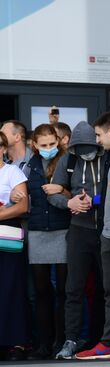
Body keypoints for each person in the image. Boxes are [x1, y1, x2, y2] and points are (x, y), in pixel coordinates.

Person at [74, 113, 110, 359]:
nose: (96, 140)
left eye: (98, 134)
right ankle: (109, 342)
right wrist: (94, 200)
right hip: (108, 232)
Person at [49, 120, 107, 359]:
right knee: (73, 288)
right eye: (79, 147)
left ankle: (104, 339)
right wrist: (69, 202)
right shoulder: (68, 160)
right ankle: (71, 339)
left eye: (89, 146)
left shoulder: (108, 158)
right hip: (78, 230)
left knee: (108, 288)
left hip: (106, 231)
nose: (85, 152)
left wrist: (95, 201)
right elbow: (53, 192)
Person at [24, 125, 70, 360]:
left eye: (52, 144)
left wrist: (62, 189)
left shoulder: (66, 162)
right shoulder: (28, 165)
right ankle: (43, 344)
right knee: (41, 292)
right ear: (34, 144)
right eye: (43, 145)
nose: (48, 149)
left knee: (63, 291)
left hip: (62, 230)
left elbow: (78, 194)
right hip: (38, 232)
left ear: (59, 141)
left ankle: (61, 342)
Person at [0, 132, 29, 361]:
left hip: (6, 232)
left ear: (3, 148)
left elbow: (22, 207)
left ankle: (16, 343)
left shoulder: (12, 171)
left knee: (11, 285)